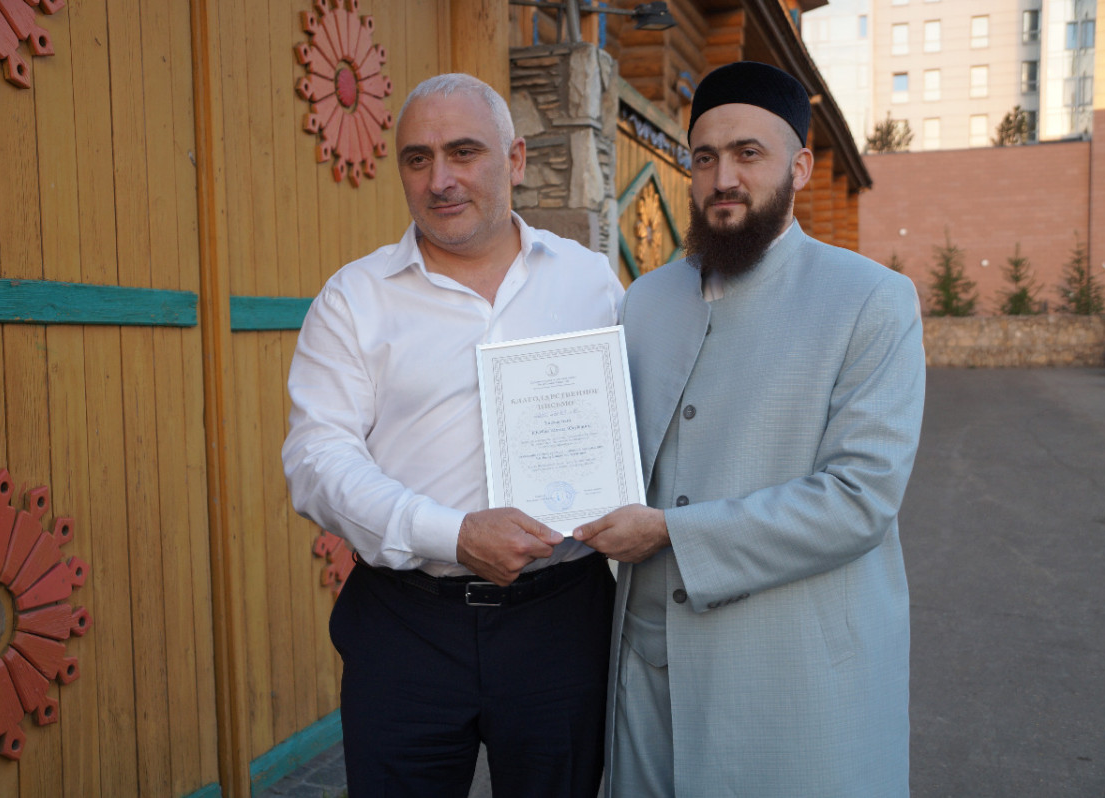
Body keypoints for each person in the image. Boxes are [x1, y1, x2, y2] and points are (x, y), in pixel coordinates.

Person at [573, 61, 925, 797]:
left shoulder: (871, 300)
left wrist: (670, 532)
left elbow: (859, 499)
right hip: (649, 671)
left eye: (748, 154)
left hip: (788, 677)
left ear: (799, 167)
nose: (722, 178)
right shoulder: (646, 300)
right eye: (704, 158)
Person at [282, 73, 623, 797]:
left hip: (562, 622)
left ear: (516, 160)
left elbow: (636, 419)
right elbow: (317, 460)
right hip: (408, 627)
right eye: (418, 159)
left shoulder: (591, 283)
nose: (440, 180)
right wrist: (452, 533)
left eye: (464, 152)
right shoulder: (354, 299)